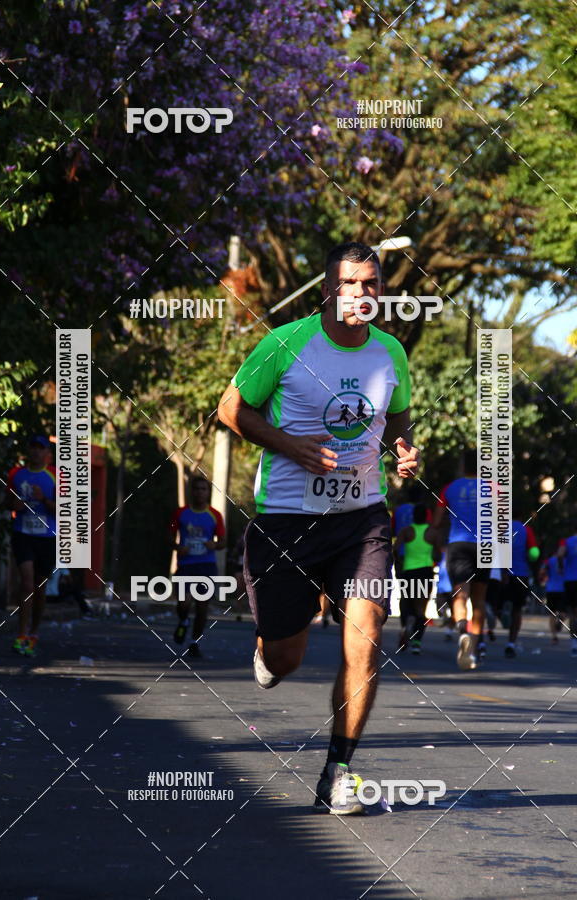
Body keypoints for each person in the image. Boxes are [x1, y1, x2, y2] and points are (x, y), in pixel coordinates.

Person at [217, 241, 419, 815]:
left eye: (371, 284)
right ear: (329, 290)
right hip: (286, 520)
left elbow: (397, 416)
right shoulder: (284, 344)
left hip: (362, 520)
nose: (362, 293)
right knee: (287, 659)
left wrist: (403, 450)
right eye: (351, 284)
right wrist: (290, 446)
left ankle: (340, 770)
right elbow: (230, 410)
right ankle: (268, 648)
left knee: (366, 636)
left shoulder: (390, 354)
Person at [428, 449, 488, 670]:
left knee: (460, 594)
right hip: (485, 546)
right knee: (480, 599)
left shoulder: (449, 489)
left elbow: (436, 522)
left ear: (463, 466)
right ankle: (477, 644)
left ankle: (463, 631)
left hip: (458, 544)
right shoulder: (494, 487)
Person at [6, 435, 56, 657]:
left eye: (40, 448)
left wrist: (44, 500)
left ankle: (34, 632)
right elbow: (7, 501)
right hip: (23, 533)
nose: (35, 452)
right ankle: (21, 634)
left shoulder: (57, 476)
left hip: (47, 536)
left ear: (48, 454)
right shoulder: (16, 474)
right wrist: (13, 504)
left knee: (39, 587)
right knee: (26, 583)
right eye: (32, 447)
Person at [170, 475, 226, 657]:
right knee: (183, 603)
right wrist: (178, 546)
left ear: (208, 492)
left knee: (202, 606)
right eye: (197, 489)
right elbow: (168, 536)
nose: (200, 492)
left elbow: (223, 541)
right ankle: (184, 621)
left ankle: (194, 641)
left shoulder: (215, 515)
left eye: (204, 489)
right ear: (191, 491)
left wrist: (215, 545)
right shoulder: (180, 513)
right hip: (186, 565)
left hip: (206, 565)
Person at [394, 503, 438, 654]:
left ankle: (405, 626)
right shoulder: (432, 532)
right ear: (426, 516)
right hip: (426, 571)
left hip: (408, 571)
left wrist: (399, 564)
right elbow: (438, 554)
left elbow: (395, 548)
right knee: (421, 610)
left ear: (413, 516)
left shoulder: (407, 531)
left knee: (405, 602)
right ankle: (417, 642)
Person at [502, 519, 539, 658]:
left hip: (502, 573)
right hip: (520, 573)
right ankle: (511, 643)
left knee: (496, 602)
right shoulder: (526, 529)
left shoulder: (499, 526)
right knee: (517, 609)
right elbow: (534, 553)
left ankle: (500, 611)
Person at [557, 524, 577, 657]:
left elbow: (560, 554)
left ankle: (574, 645)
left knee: (572, 610)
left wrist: (562, 567)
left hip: (570, 579)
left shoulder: (566, 541)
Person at [539, 555, 566, 644]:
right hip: (563, 589)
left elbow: (542, 571)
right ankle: (560, 623)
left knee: (552, 614)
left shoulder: (549, 560)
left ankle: (554, 637)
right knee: (563, 613)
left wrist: (542, 580)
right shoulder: (567, 559)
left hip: (551, 589)